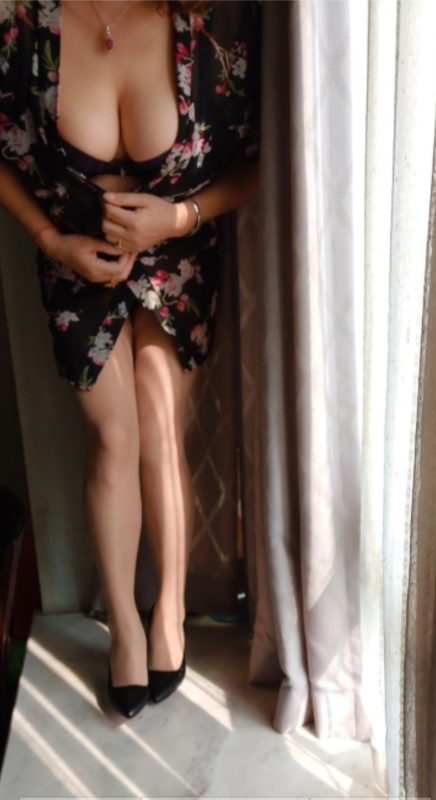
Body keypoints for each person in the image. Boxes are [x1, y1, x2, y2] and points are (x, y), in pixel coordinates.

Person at [0, 0, 261, 718]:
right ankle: (123, 619)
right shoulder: (26, 24)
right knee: (113, 434)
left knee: (157, 417)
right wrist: (52, 240)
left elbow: (257, 161)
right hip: (75, 260)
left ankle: (169, 607)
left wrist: (180, 216)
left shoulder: (206, 22)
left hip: (179, 252)